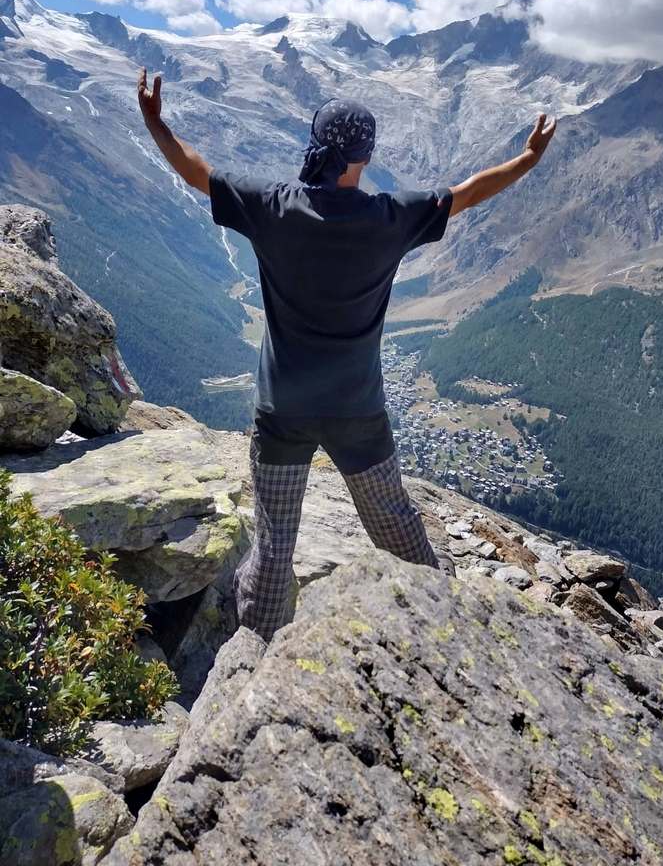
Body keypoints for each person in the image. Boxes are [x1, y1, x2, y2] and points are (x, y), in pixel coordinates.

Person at [138, 70, 556, 640]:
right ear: (367, 155)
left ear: (314, 142)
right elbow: (468, 192)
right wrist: (528, 159)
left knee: (274, 547)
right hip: (357, 410)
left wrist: (156, 123)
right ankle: (446, 622)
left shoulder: (272, 207)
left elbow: (196, 172)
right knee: (397, 527)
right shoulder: (390, 217)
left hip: (283, 411)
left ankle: (255, 651)